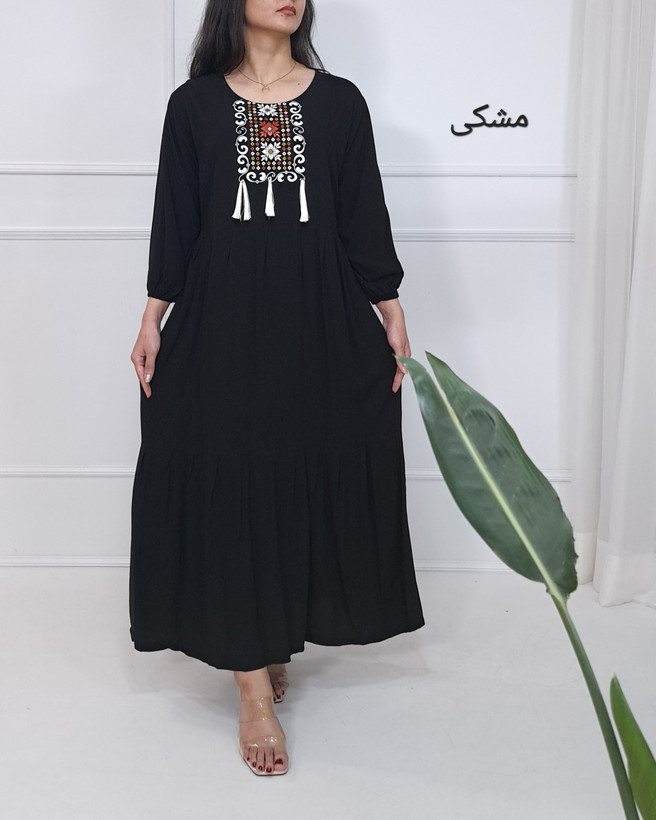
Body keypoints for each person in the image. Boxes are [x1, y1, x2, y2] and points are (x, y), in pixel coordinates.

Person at [129, 0, 425, 777]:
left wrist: (390, 309)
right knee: (232, 478)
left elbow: (362, 215)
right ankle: (251, 686)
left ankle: (270, 631)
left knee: (304, 462)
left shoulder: (340, 103)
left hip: (317, 318)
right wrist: (153, 317)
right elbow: (176, 220)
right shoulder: (193, 106)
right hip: (221, 321)